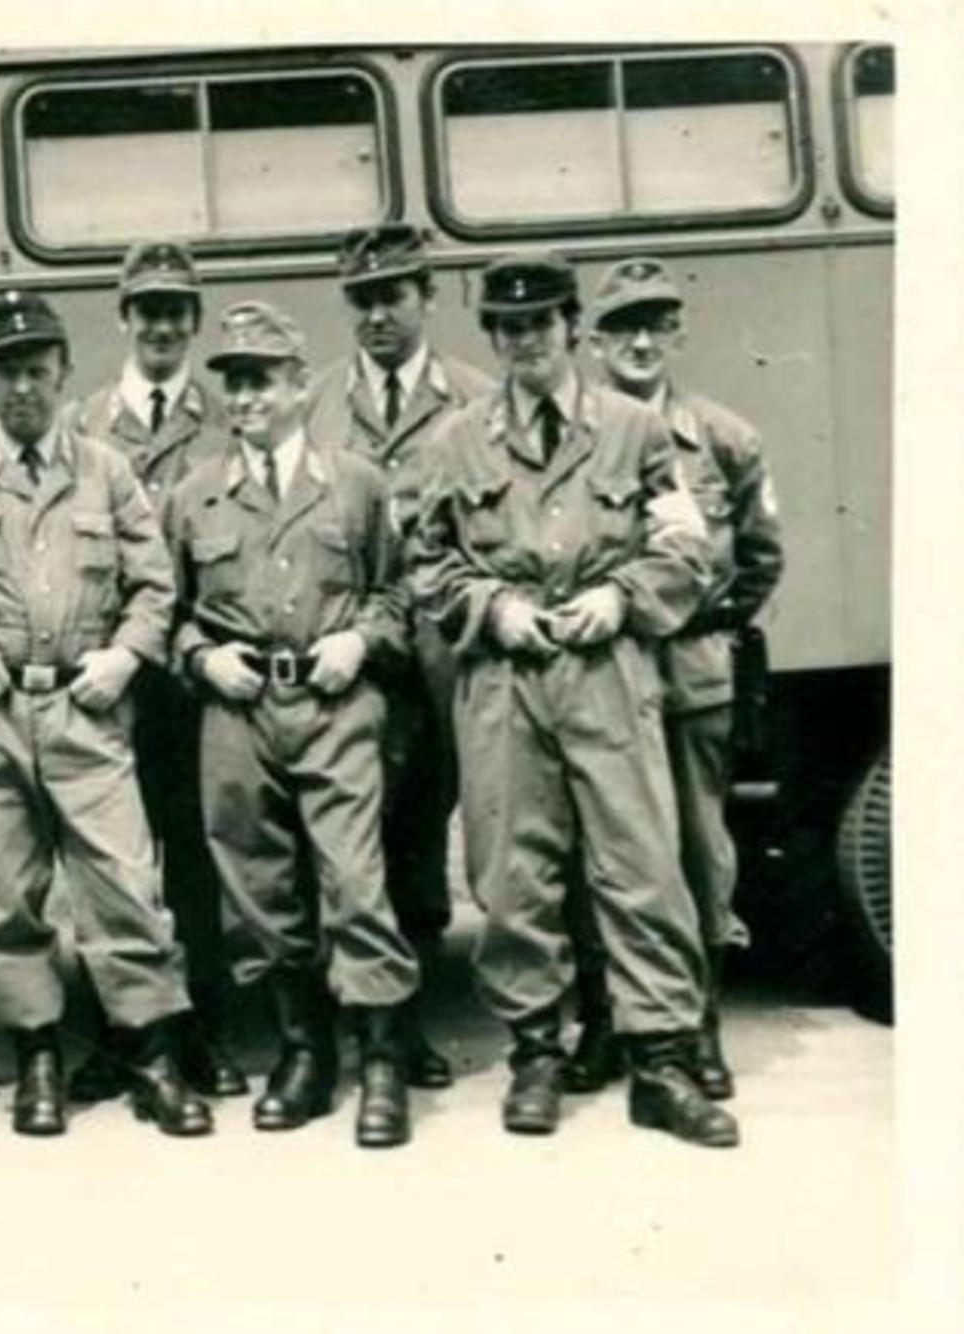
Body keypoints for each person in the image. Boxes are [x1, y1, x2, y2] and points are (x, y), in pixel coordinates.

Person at [409, 252, 740, 1148]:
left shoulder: (635, 430)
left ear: (569, 329)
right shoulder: (455, 441)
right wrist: (494, 607)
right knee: (515, 873)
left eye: (542, 324)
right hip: (506, 679)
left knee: (641, 864)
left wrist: (623, 598)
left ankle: (661, 1061)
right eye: (509, 328)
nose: (526, 341)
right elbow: (427, 563)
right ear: (492, 338)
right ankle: (537, 1054)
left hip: (610, 669)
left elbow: (686, 548)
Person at [0, 289, 211, 1139]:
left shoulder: (107, 470)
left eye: (39, 370)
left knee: (123, 883)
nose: (24, 388)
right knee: (1, 896)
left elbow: (155, 584)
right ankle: (37, 1055)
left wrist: (127, 654)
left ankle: (151, 1053)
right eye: (8, 371)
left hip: (86, 703)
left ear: (63, 373)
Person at [166, 299, 418, 1146]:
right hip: (238, 710)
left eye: (263, 381)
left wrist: (361, 639)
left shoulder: (357, 482)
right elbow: (169, 612)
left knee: (355, 880)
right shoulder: (195, 496)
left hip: (337, 700)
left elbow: (398, 592)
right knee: (257, 890)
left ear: (301, 386)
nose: (246, 399)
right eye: (233, 384)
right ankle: (303, 1052)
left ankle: (381, 1060)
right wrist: (203, 658)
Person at [563, 257, 785, 1100]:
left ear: (680, 332)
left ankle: (698, 1030)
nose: (642, 341)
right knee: (601, 850)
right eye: (623, 326)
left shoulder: (723, 438)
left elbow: (761, 558)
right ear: (594, 342)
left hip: (690, 673)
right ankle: (606, 1024)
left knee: (698, 853)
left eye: (658, 323)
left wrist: (701, 628)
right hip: (600, 672)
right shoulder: (580, 434)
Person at [307, 224, 496, 1090]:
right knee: (347, 844)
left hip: (441, 651)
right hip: (350, 653)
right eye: (363, 299)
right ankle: (351, 1019)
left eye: (395, 294)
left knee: (421, 837)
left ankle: (407, 1023)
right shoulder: (315, 403)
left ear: (429, 297)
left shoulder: (475, 398)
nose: (378, 313)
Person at [66, 241, 244, 1101]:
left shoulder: (223, 420)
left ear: (196, 319)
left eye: (178, 308)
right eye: (148, 308)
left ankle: (201, 1028)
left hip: (193, 676)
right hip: (106, 674)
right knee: (109, 864)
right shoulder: (82, 423)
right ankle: (121, 1031)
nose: (163, 323)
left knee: (193, 859)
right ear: (123, 317)